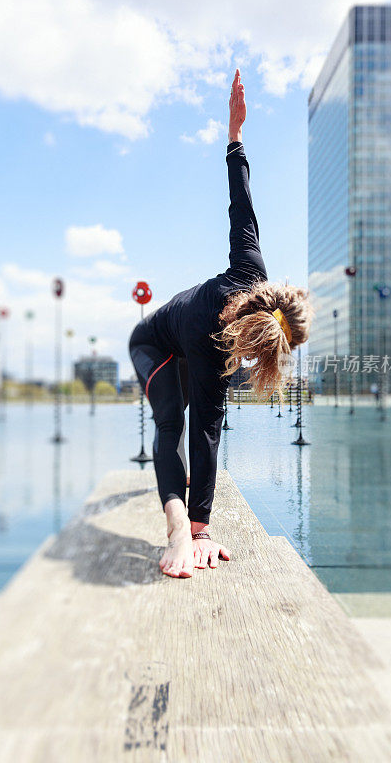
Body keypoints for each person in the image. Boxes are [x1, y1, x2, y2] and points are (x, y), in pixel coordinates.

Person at [129, 70, 312, 578]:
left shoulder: (253, 270)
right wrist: (192, 530)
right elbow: (201, 430)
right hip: (154, 343)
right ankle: (173, 531)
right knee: (171, 419)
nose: (252, 362)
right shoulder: (213, 350)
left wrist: (235, 135)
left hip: (191, 343)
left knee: (193, 415)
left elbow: (243, 205)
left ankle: (190, 526)